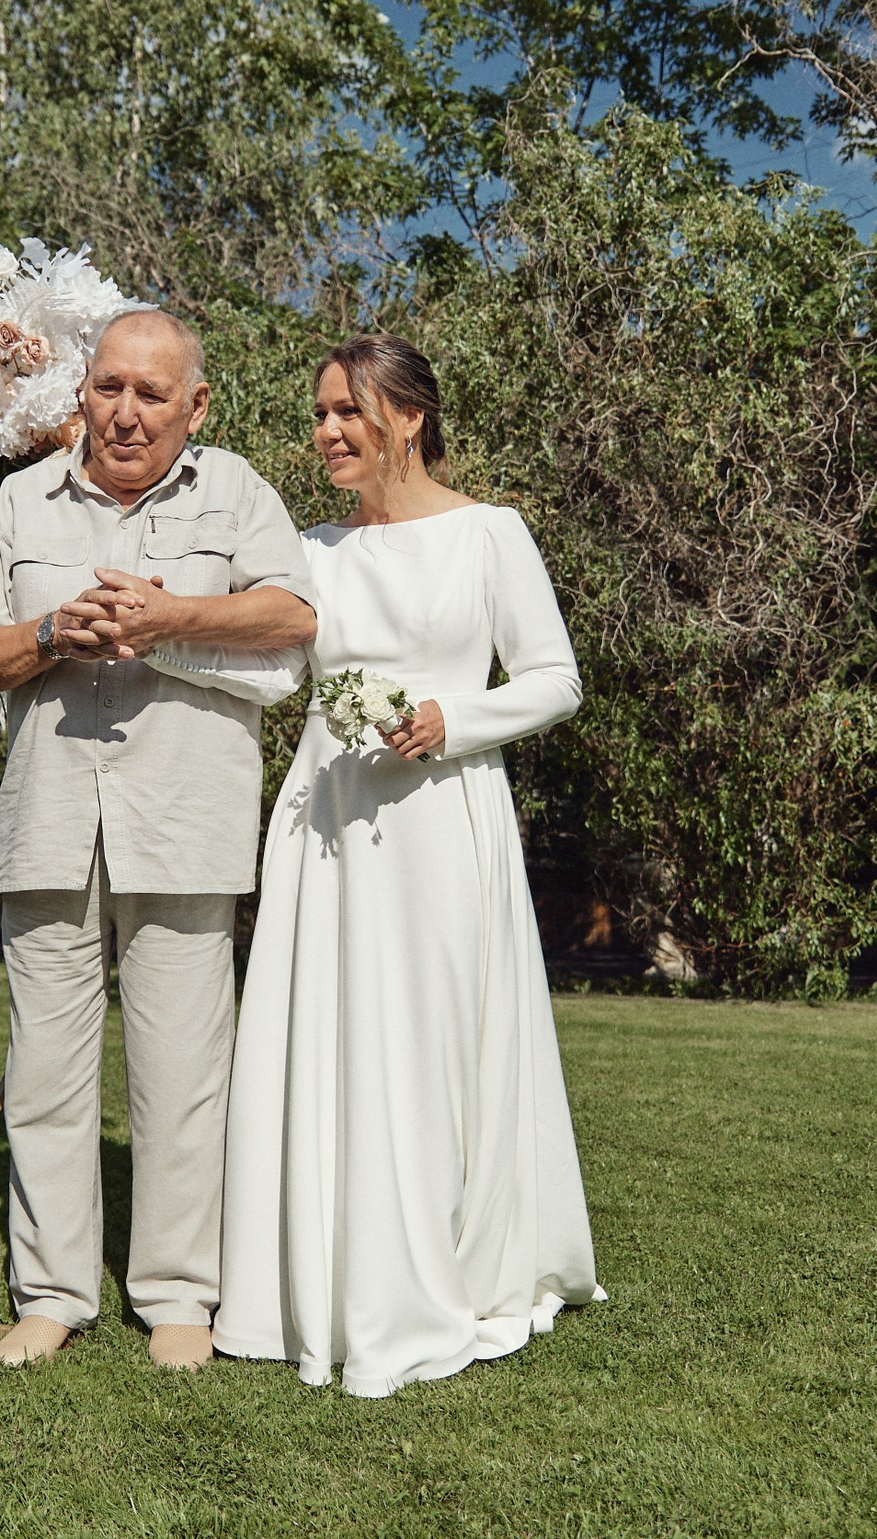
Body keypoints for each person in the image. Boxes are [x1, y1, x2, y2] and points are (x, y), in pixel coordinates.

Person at [212, 332, 602, 1397]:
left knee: (427, 1038)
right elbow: (270, 672)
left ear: (408, 417)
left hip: (438, 818)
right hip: (325, 818)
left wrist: (453, 717)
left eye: (347, 412)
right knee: (325, 1030)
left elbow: (556, 678)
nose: (326, 432)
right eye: (321, 413)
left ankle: (437, 1265)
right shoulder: (311, 549)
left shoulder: (490, 536)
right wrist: (155, 634)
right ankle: (316, 1282)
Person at [0, 309, 315, 1372]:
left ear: (195, 407)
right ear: (82, 394)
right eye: (109, 387)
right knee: (47, 1068)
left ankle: (176, 1298)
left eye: (152, 394)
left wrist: (168, 617)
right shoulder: (22, 501)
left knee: (182, 1072)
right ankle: (51, 1293)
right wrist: (52, 633)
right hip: (49, 818)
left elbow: (293, 616)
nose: (125, 411)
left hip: (185, 816)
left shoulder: (237, 493)